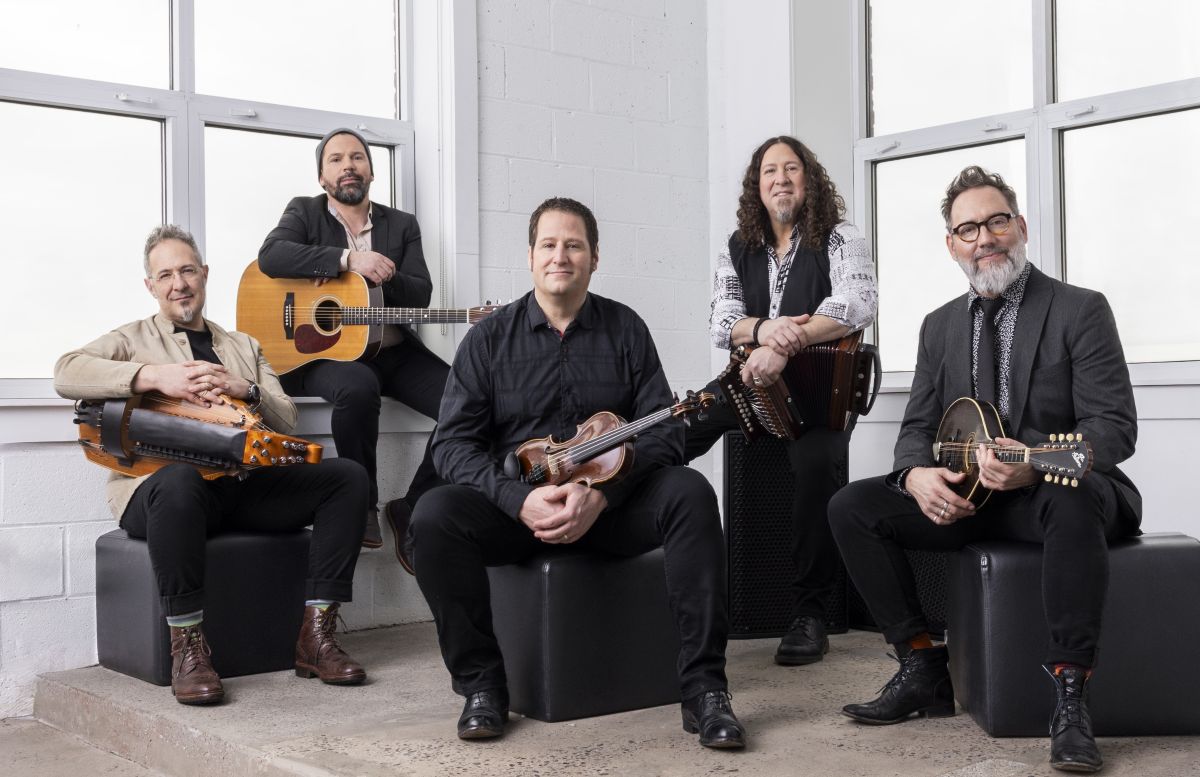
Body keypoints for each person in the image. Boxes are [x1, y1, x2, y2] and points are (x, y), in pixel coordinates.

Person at [829, 166, 1140, 773]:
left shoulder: (1079, 309)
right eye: (968, 229)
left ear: (1020, 226)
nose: (985, 238)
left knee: (1071, 495)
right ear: (952, 244)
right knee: (852, 507)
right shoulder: (938, 325)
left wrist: (1034, 464)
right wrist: (913, 475)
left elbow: (1113, 428)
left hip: (1052, 493)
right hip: (974, 498)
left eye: (996, 222)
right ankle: (922, 665)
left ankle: (1070, 699)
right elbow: (917, 426)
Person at [409, 197, 746, 749]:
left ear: (594, 258)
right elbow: (452, 445)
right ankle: (482, 686)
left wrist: (604, 495)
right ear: (530, 256)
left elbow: (663, 434)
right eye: (549, 245)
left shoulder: (626, 328)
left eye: (574, 245)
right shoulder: (488, 340)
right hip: (521, 513)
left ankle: (705, 690)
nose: (560, 256)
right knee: (433, 515)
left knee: (689, 492)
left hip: (610, 511)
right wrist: (516, 500)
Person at [55, 225, 371, 705]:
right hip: (157, 494)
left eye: (187, 271)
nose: (178, 284)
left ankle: (317, 639)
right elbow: (66, 371)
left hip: (237, 489)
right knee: (179, 480)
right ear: (151, 286)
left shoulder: (243, 345)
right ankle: (188, 649)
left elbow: (288, 419)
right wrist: (153, 376)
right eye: (165, 275)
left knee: (346, 477)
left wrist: (246, 389)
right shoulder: (131, 338)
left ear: (204, 274)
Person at [685, 135, 877, 666]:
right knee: (680, 429)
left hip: (821, 397)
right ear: (758, 185)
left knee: (817, 467)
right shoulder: (737, 245)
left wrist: (784, 344)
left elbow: (858, 301)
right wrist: (766, 331)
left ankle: (810, 612)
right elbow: (721, 321)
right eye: (770, 171)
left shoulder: (840, 237)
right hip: (751, 381)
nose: (781, 179)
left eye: (791, 168)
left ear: (809, 179)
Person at [258, 127, 449, 565]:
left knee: (467, 401)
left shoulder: (402, 224)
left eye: (357, 157)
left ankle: (412, 505)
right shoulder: (304, 211)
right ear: (323, 177)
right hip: (325, 352)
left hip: (391, 349)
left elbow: (421, 294)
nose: (348, 165)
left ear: (371, 171)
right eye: (337, 159)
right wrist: (347, 260)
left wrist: (378, 274)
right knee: (358, 388)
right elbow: (271, 256)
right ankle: (362, 505)